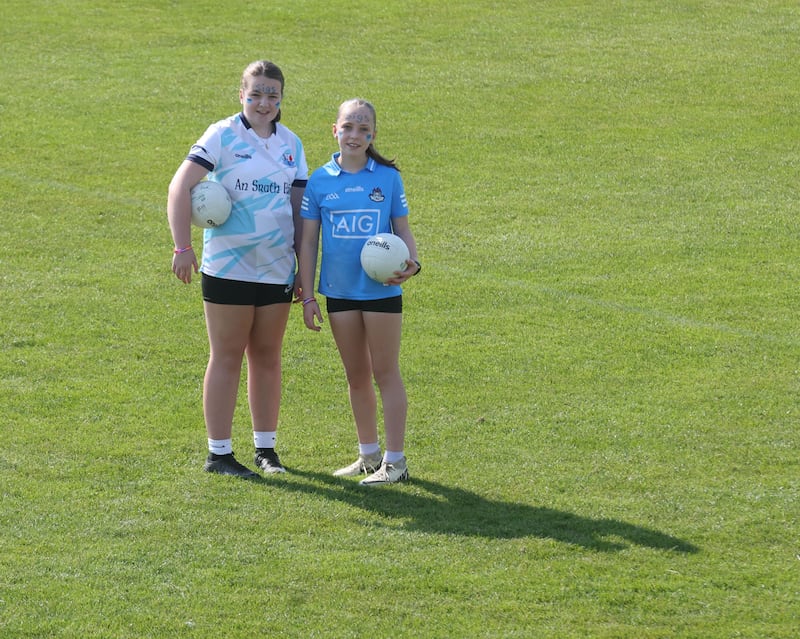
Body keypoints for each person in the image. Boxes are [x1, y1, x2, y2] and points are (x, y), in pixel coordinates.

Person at [167, 60, 308, 478]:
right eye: (256, 94)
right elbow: (180, 186)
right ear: (241, 95)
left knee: (267, 356)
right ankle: (220, 454)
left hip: (277, 269)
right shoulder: (222, 134)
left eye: (272, 95)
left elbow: (299, 212)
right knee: (227, 356)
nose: (264, 102)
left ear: (281, 98)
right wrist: (182, 246)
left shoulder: (291, 144)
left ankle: (266, 450)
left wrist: (303, 268)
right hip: (227, 268)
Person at [298, 98, 421, 485]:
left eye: (363, 129)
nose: (355, 134)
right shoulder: (319, 181)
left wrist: (413, 264)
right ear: (334, 130)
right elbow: (308, 243)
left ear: (372, 135)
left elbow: (402, 229)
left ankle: (395, 462)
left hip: (383, 292)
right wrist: (307, 295)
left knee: (386, 373)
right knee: (356, 376)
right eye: (348, 127)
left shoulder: (386, 178)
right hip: (339, 293)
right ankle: (369, 456)